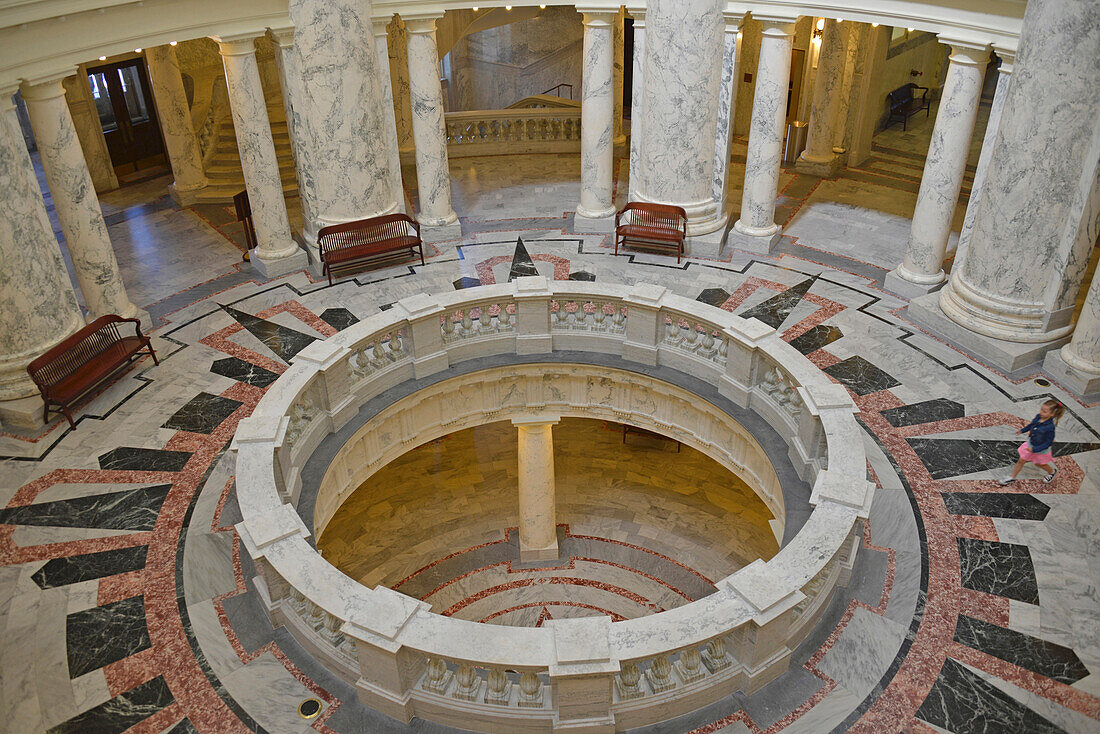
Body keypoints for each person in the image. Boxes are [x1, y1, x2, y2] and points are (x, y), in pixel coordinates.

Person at [1000, 399, 1065, 485]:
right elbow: (1031, 425)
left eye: (1044, 411)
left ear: (1052, 414)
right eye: (1041, 409)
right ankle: (1012, 477)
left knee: (1040, 464)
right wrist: (1022, 430)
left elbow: (1048, 443)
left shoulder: (1050, 427)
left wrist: (1034, 449)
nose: (1041, 412)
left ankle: (1052, 472)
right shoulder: (1039, 417)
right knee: (1021, 460)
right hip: (1031, 444)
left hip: (1040, 450)